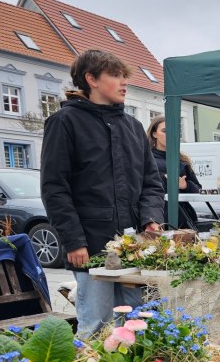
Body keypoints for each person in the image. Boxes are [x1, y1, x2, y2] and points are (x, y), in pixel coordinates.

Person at [41, 50, 164, 336]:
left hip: (134, 245)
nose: (124, 83)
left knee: (138, 323)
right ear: (91, 79)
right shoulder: (64, 122)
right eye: (115, 76)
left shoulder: (133, 127)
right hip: (90, 244)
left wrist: (150, 218)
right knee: (97, 324)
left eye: (125, 76)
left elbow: (151, 183)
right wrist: (73, 241)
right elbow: (55, 188)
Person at [147, 115, 202, 229]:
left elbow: (197, 190)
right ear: (154, 134)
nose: (169, 134)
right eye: (164, 131)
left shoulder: (181, 161)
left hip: (182, 219)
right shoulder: (145, 159)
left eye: (172, 131)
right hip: (153, 219)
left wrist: (185, 186)